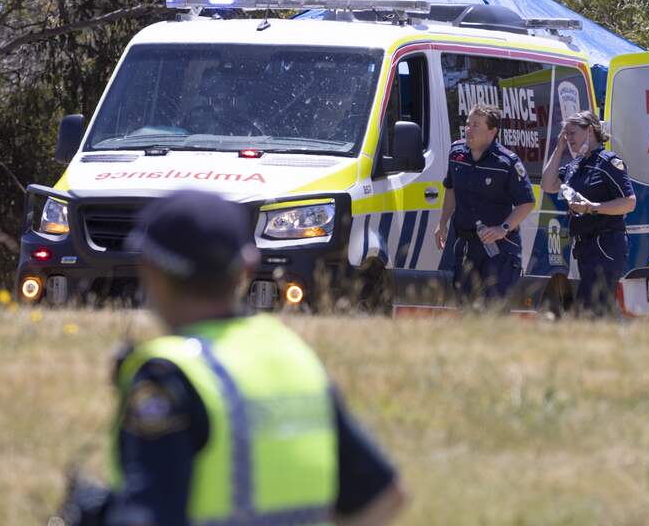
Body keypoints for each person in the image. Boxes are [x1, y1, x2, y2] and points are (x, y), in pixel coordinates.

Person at [59, 189, 406, 526]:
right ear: (246, 269)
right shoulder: (295, 356)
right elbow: (386, 496)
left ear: (150, 271)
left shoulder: (168, 377)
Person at [434, 104, 535, 303]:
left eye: (476, 126)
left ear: (492, 131)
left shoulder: (507, 162)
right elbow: (451, 188)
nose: (468, 129)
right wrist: (442, 222)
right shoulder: (456, 153)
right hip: (465, 245)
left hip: (499, 248)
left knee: (494, 308)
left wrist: (503, 228)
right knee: (465, 306)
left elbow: (527, 203)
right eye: (467, 124)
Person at [541, 111, 636, 314]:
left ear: (590, 131)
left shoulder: (608, 163)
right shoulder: (575, 166)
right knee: (598, 306)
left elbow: (629, 202)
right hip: (585, 246)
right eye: (566, 134)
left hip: (606, 243)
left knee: (592, 305)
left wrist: (592, 207)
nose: (569, 139)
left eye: (573, 133)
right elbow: (548, 184)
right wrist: (558, 149)